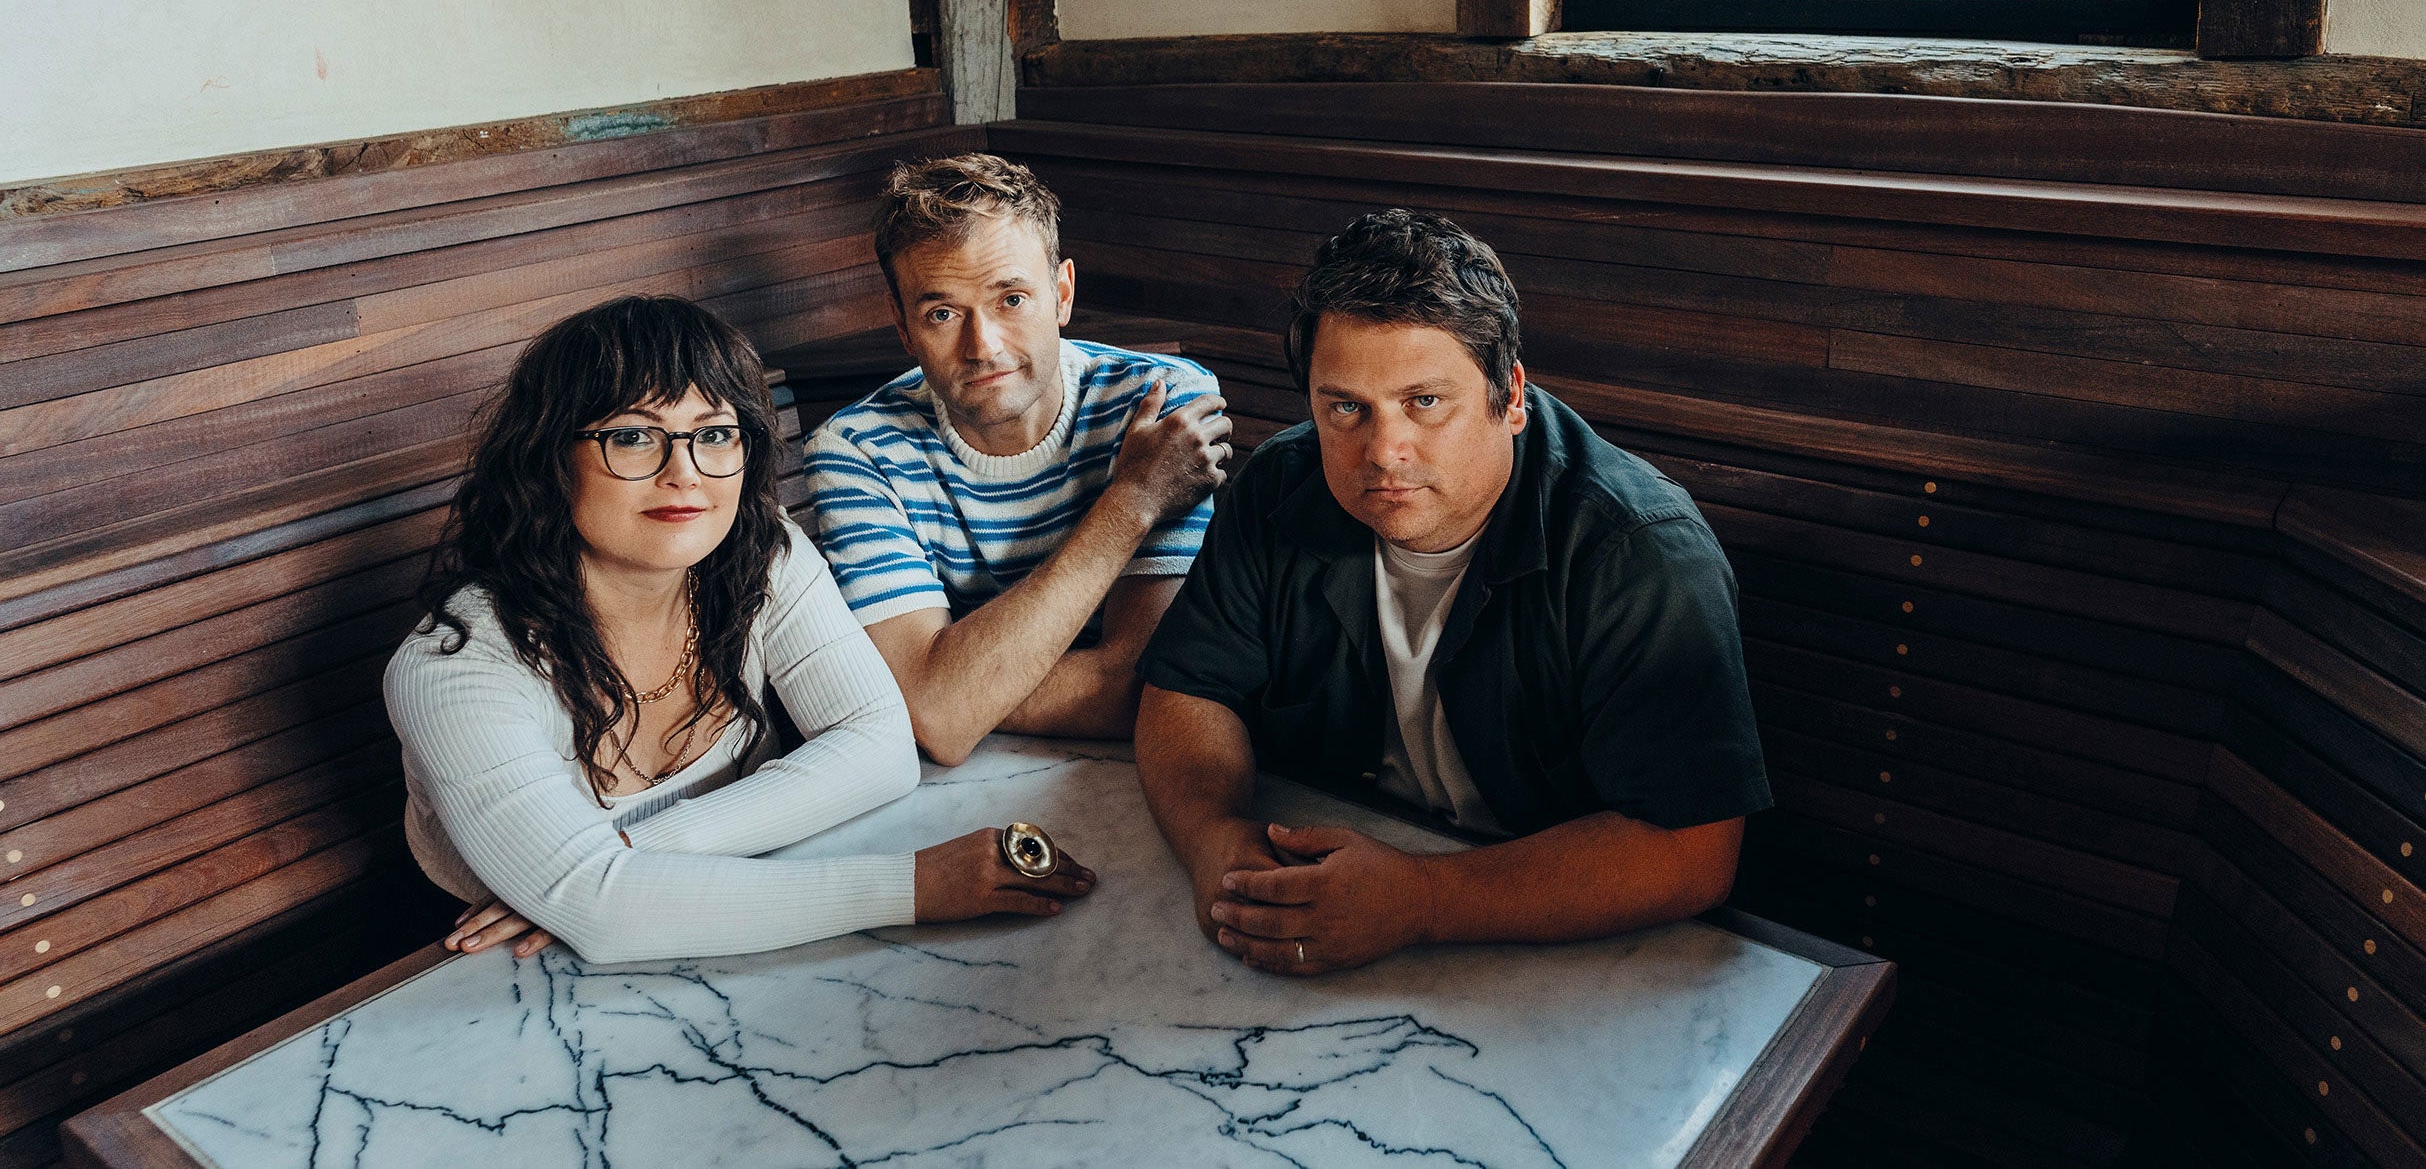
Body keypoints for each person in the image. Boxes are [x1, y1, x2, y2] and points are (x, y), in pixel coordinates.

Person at [1133, 210, 1771, 975]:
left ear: (1510, 398)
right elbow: (1187, 691)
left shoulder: (1639, 552)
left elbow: (1692, 849)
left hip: (1564, 941)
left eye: (1425, 402)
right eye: (1345, 407)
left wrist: (1422, 900)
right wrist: (1214, 842)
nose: (1382, 451)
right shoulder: (1281, 484)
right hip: (1334, 894)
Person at [386, 295, 1093, 965]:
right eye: (633, 437)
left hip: (751, 918)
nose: (684, 472)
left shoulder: (760, 552)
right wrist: (914, 887)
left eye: (715, 434)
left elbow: (879, 748)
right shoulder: (455, 664)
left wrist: (626, 852)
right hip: (480, 977)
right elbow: (602, 914)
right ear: (550, 458)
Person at [805, 154, 1232, 766]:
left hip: (1150, 765)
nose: (983, 347)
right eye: (942, 314)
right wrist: (1131, 502)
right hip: (962, 785)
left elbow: (1143, 687)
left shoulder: (1160, 404)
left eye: (1011, 299)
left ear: (1061, 294)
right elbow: (939, 721)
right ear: (903, 329)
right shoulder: (856, 450)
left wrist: (953, 692)